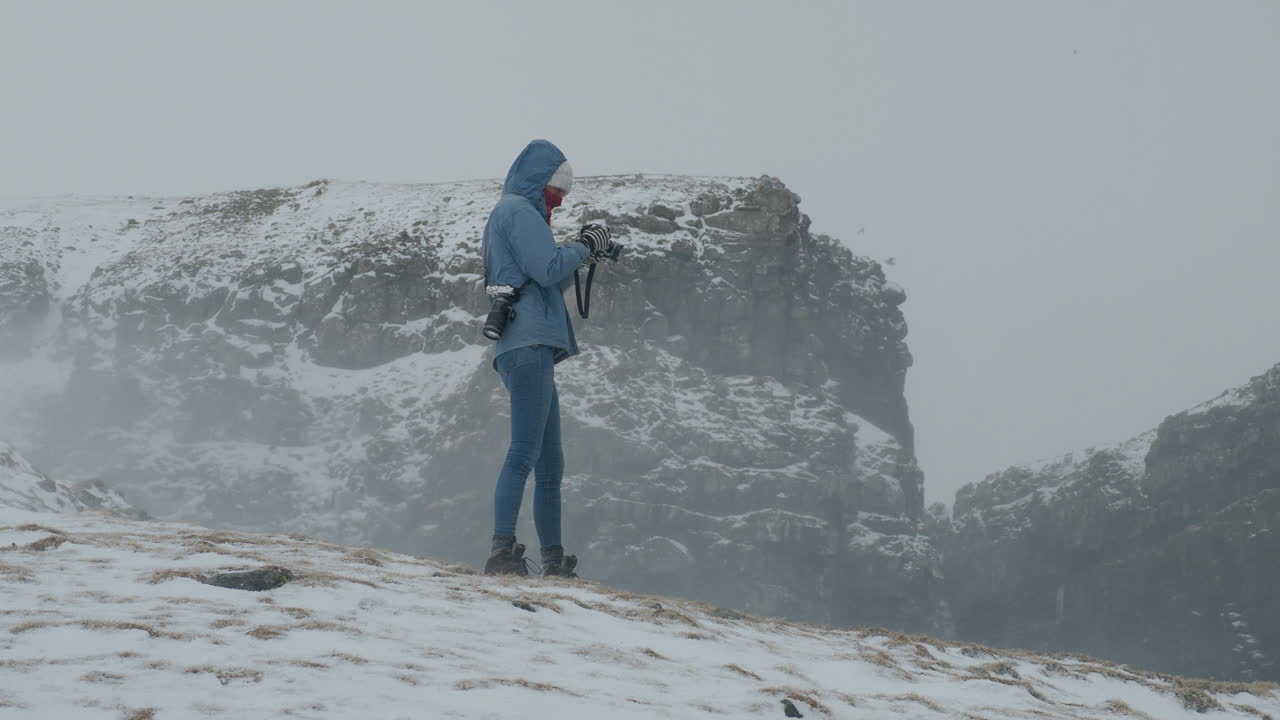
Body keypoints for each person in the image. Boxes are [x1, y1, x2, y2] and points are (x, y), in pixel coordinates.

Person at [480, 139, 613, 577]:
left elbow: (543, 279)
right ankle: (502, 551)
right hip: (530, 344)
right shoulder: (519, 210)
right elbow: (550, 269)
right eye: (557, 191)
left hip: (524, 345)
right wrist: (584, 246)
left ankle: (553, 561)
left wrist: (583, 254)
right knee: (524, 452)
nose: (559, 200)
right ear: (541, 181)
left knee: (551, 465)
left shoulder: (512, 212)